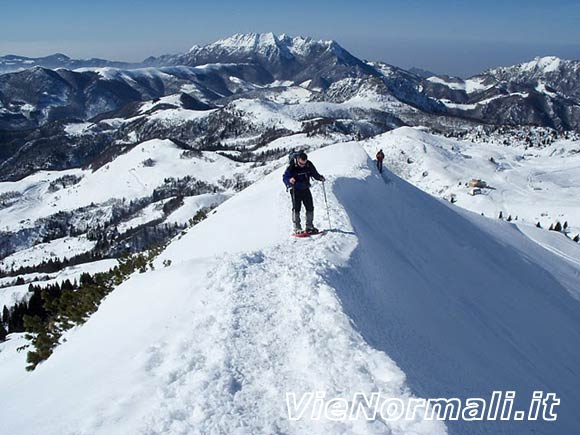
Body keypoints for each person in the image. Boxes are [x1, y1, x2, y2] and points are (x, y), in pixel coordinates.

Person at [283, 151, 325, 234]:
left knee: (310, 207)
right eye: (301, 163)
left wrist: (320, 177)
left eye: (304, 163)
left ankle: (309, 226)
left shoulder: (308, 164)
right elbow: (285, 177)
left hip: (305, 188)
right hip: (295, 189)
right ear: (298, 160)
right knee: (296, 208)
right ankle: (297, 227)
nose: (302, 165)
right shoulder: (292, 166)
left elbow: (314, 173)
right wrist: (289, 180)